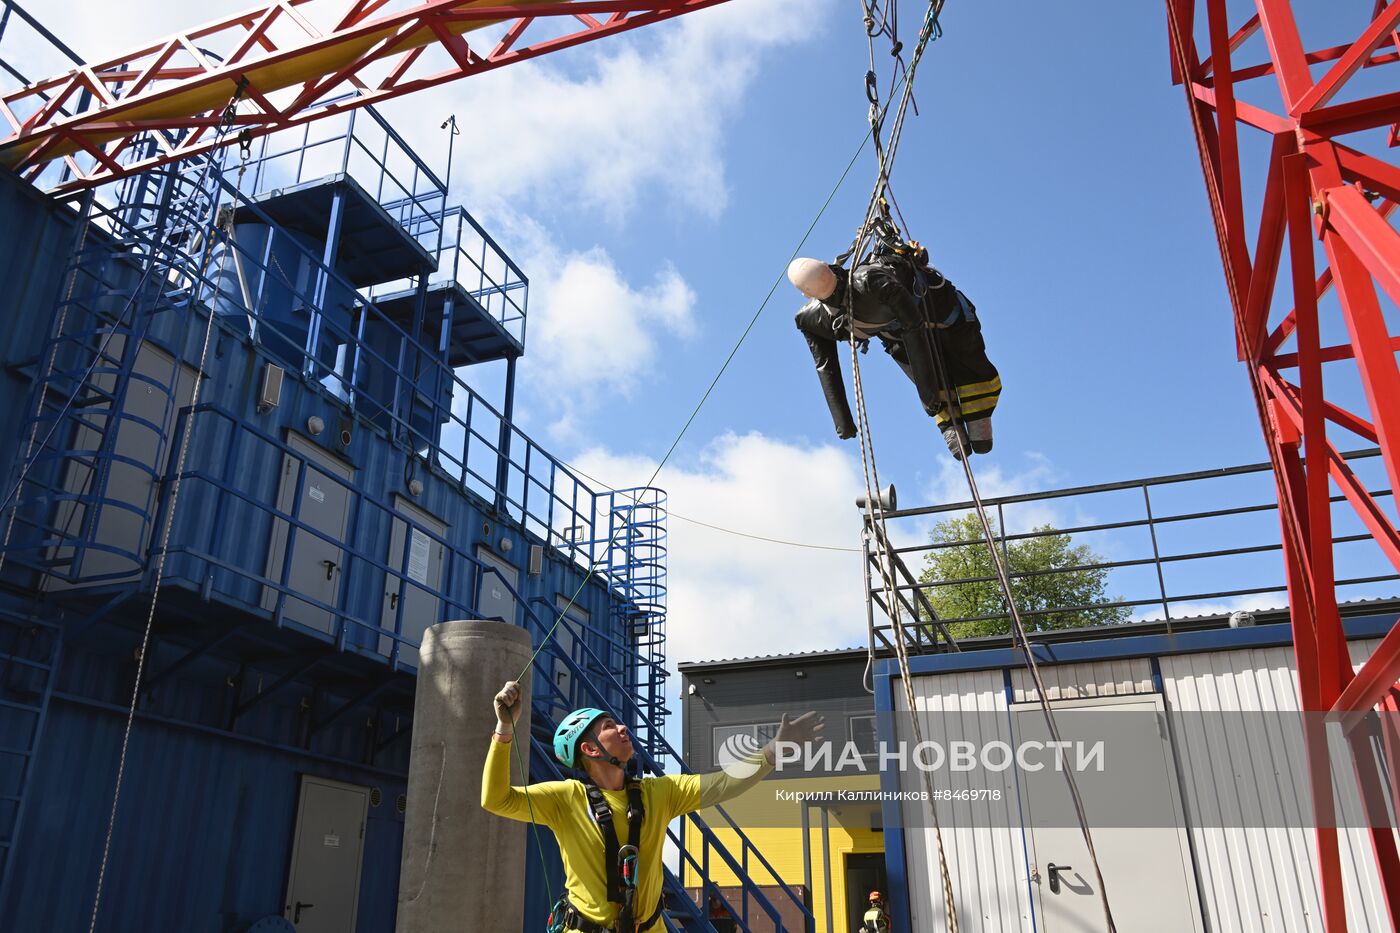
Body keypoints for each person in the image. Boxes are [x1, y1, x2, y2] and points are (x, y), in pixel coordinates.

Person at [482, 681, 824, 932]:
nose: (622, 727)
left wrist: (772, 751)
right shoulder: (566, 799)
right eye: (608, 726)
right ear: (589, 749)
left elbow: (723, 783)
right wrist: (504, 728)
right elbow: (496, 799)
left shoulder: (659, 793)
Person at [790, 242, 1000, 460]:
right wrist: (927, 395)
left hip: (911, 336)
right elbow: (914, 328)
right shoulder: (871, 280)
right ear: (826, 264)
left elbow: (826, 368)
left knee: (943, 386)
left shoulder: (811, 319)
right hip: (947, 322)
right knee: (970, 370)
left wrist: (843, 423)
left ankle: (955, 424)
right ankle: (975, 424)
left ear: (806, 294)